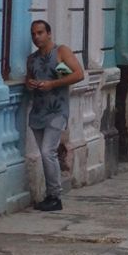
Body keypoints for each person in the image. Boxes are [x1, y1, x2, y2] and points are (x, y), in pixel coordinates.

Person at [25, 20, 84, 211]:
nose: (36, 37)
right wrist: (30, 84)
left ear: (49, 33)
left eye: (40, 33)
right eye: (33, 34)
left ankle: (55, 196)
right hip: (38, 111)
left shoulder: (61, 52)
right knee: (46, 154)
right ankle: (50, 194)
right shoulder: (32, 59)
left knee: (47, 151)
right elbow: (28, 78)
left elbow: (78, 74)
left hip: (57, 110)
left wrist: (52, 84)